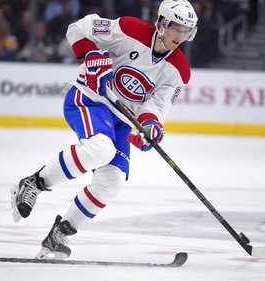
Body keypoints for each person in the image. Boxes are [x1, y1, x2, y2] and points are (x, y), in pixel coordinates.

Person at [11, 0, 198, 260]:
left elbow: (156, 106)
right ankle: (35, 183)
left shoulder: (179, 71)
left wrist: (150, 127)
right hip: (90, 98)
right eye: (177, 28)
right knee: (100, 149)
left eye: (186, 31)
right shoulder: (129, 30)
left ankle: (60, 234)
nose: (181, 36)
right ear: (162, 23)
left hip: (122, 118)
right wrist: (90, 54)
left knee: (113, 180)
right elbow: (78, 28)